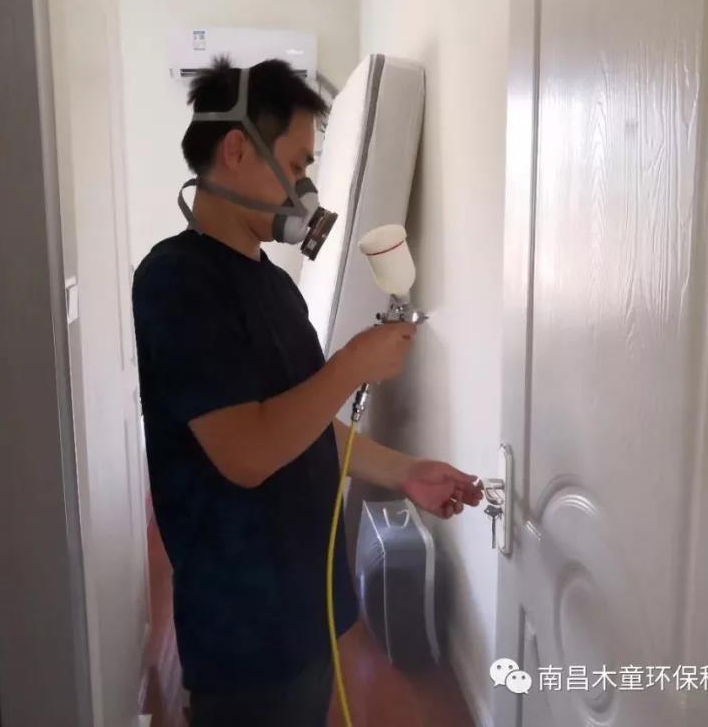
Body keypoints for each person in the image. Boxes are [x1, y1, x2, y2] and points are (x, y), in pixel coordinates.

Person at [132, 57, 482, 727]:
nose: (305, 187)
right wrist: (351, 365)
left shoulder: (275, 285)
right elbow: (248, 453)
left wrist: (405, 472)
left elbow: (305, 422)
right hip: (244, 635)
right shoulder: (176, 283)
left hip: (306, 609)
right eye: (296, 165)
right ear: (237, 150)